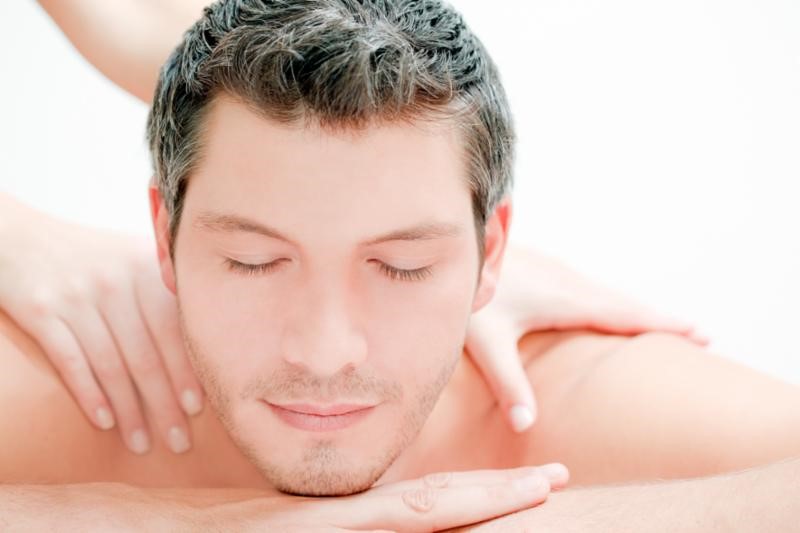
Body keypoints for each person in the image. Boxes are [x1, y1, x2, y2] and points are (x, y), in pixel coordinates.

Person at [2, 0, 798, 530]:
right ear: (163, 235)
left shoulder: (553, 400)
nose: (323, 349)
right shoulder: (79, 380)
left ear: (492, 256)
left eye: (402, 266)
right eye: (252, 261)